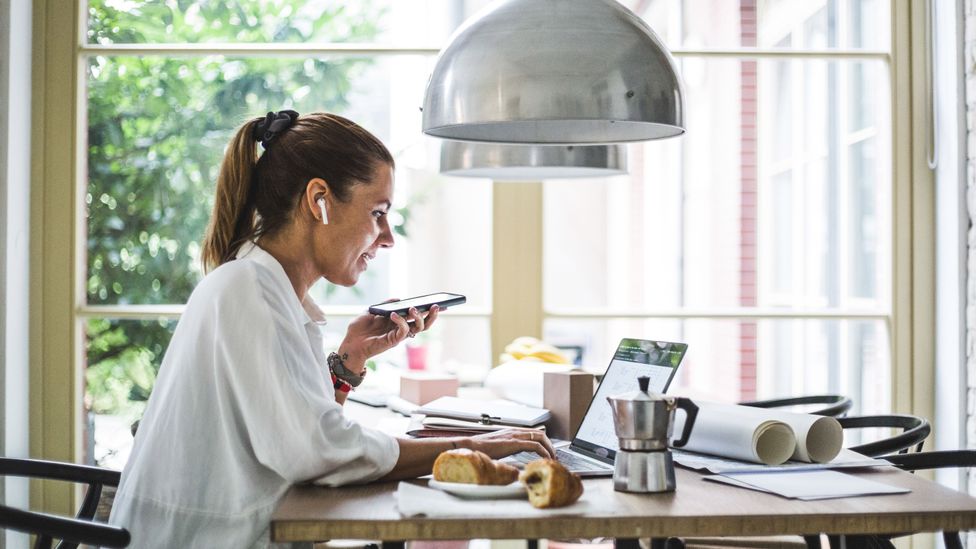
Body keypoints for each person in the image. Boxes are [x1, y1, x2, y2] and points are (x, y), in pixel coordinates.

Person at [108, 110, 556, 548]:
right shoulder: (248, 290)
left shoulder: (265, 288)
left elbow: (301, 430)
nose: (387, 237)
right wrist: (475, 445)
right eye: (377, 212)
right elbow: (316, 452)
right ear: (318, 199)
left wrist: (349, 361)